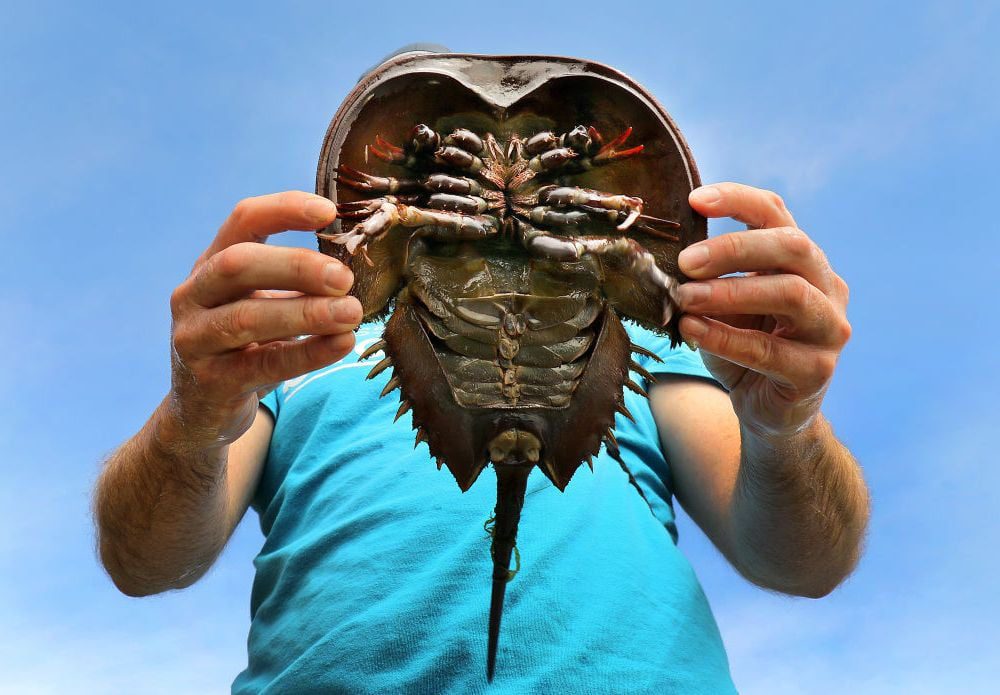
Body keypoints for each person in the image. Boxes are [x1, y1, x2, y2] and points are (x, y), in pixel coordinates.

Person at [93, 55, 868, 694]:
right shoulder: (291, 347)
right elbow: (146, 560)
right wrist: (193, 419)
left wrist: (784, 422)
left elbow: (803, 559)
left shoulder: (653, 334)